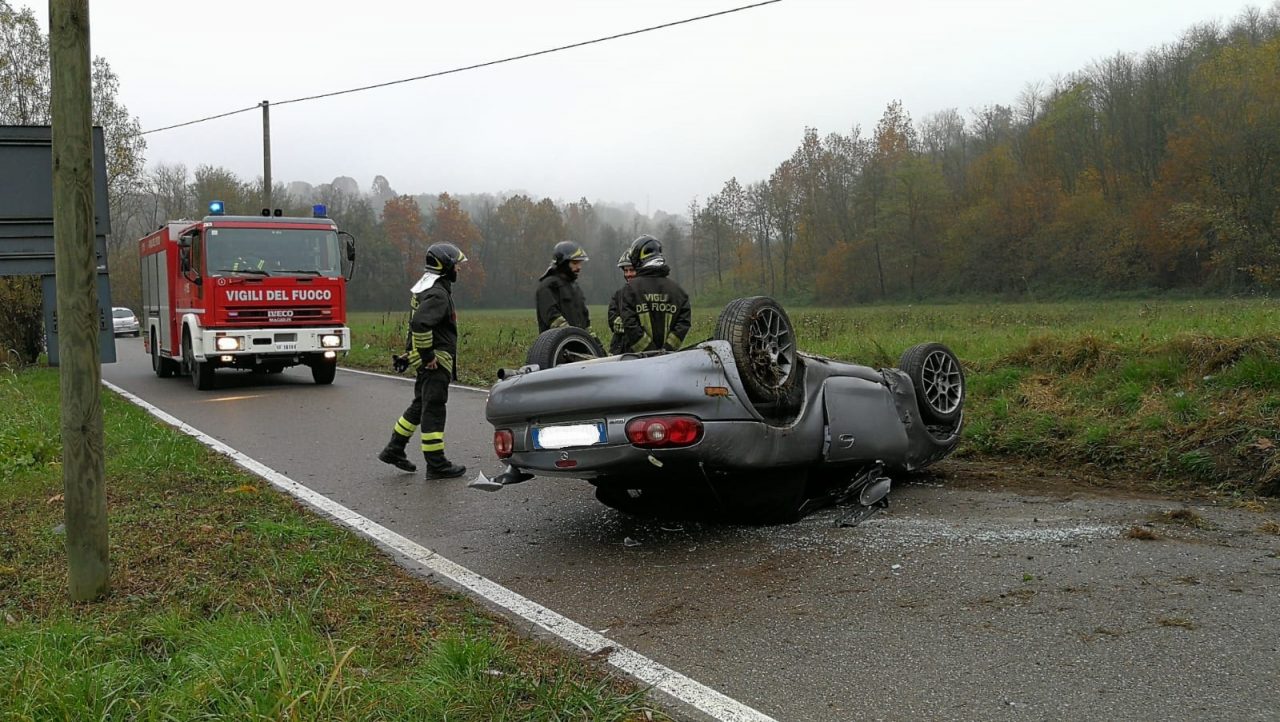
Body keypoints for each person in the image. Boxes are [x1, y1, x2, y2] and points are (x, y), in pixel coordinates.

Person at [378, 242, 468, 480]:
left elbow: (415, 325)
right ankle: (436, 464)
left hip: (425, 359)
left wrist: (413, 354)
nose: (459, 269)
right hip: (435, 361)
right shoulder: (438, 293)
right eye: (457, 265)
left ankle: (394, 449)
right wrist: (428, 356)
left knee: (420, 405)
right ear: (446, 266)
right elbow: (420, 324)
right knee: (434, 409)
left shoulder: (426, 287)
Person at [617, 235, 691, 353]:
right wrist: (667, 350)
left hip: (637, 363)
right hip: (668, 362)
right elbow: (683, 325)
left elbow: (629, 325)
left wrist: (649, 352)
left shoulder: (630, 290)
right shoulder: (679, 292)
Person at [535, 240, 591, 333]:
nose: (579, 267)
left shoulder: (575, 288)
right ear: (563, 262)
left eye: (580, 263)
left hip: (577, 343)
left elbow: (586, 323)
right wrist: (575, 338)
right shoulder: (547, 286)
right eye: (575, 263)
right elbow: (553, 319)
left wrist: (596, 345)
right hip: (557, 345)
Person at [606, 249, 637, 354]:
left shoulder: (649, 294)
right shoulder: (618, 295)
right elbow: (612, 321)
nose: (628, 274)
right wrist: (634, 325)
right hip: (618, 349)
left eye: (632, 270)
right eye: (626, 270)